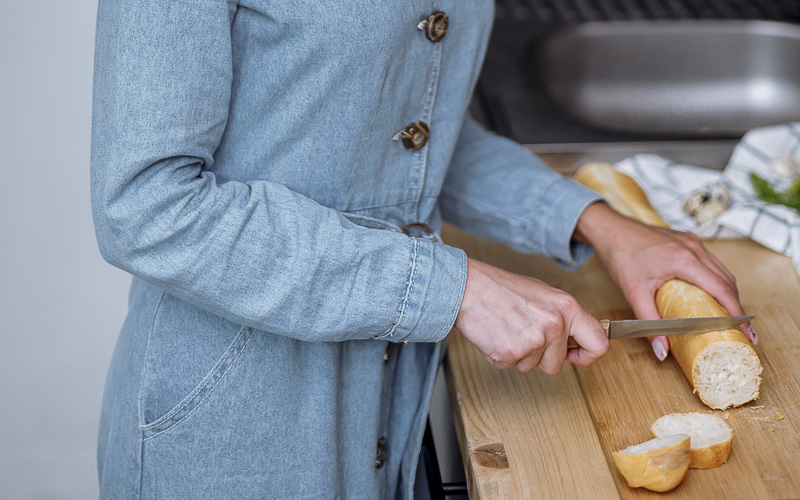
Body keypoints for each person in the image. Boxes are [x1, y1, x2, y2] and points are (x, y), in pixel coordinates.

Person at [90, 1, 755, 498]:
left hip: (389, 411)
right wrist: (451, 288)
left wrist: (595, 222)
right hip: (236, 428)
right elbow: (149, 206)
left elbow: (397, 130)